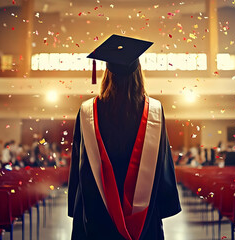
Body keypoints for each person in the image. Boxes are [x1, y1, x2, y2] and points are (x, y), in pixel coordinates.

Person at [68, 34, 181, 240]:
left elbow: (80, 166)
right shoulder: (155, 110)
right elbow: (162, 163)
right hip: (143, 217)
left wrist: (76, 208)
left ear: (106, 74)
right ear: (138, 73)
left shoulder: (87, 112)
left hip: (97, 215)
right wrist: (166, 203)